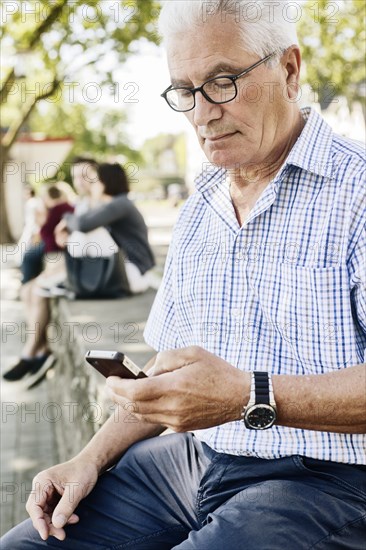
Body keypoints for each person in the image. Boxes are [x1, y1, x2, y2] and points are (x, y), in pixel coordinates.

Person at [2, 1, 365, 548]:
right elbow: (169, 376)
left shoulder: (357, 191)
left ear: (290, 71)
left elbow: (233, 394)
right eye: (185, 91)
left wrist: (250, 396)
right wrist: (86, 458)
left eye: (223, 81)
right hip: (196, 459)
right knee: (29, 543)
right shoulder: (201, 207)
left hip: (328, 478)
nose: (202, 114)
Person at [2, 157, 98, 386]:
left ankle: (31, 351)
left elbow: (75, 243)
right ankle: (40, 347)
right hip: (71, 261)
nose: (79, 181)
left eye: (86, 175)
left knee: (35, 290)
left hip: (86, 267)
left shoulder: (94, 204)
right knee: (27, 290)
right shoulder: (81, 205)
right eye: (75, 176)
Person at [60, 162, 155, 295]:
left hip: (135, 274)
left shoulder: (120, 204)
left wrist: (66, 219)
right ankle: (73, 277)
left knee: (89, 232)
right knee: (86, 231)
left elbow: (83, 224)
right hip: (127, 272)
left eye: (94, 181)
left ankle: (74, 277)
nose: (91, 186)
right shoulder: (114, 204)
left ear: (105, 182)